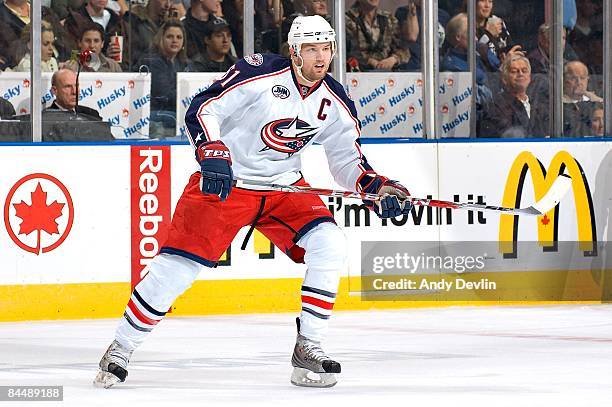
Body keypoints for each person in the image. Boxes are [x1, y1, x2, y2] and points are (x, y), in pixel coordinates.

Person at [94, 15, 413, 389]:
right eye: (312, 49)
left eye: (326, 48)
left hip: (284, 188)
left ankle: (308, 347)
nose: (321, 57)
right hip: (230, 182)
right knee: (176, 270)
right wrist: (212, 152)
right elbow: (203, 107)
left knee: (329, 243)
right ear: (294, 51)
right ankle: (120, 348)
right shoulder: (260, 73)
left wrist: (376, 188)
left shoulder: (335, 99)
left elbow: (346, 160)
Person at [138, 19, 189, 135]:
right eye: (170, 36)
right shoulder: (152, 60)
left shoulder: (184, 63)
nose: (175, 40)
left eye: (179, 37)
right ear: (161, 39)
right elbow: (163, 94)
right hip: (156, 111)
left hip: (174, 109)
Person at [480, 55, 548, 138]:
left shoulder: (539, 105)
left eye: (524, 70)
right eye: (514, 71)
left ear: (529, 77)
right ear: (504, 79)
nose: (520, 74)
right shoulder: (496, 107)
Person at [345, 0, 408, 72]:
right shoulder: (345, 20)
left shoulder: (388, 19)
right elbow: (343, 52)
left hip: (386, 77)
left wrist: (393, 59)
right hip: (355, 76)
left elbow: (404, 50)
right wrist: (368, 61)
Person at [562, 60, 602, 137]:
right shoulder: (557, 104)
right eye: (573, 78)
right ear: (564, 80)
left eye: (582, 78)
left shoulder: (597, 101)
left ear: (588, 80)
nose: (579, 82)